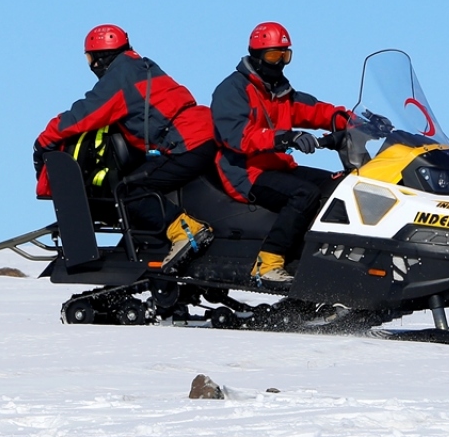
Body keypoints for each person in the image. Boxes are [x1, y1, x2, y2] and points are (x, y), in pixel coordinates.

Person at [34, 24, 217, 271]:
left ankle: (187, 232)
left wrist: (46, 138)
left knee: (129, 191)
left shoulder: (121, 76)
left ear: (99, 59)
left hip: (186, 143)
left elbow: (84, 114)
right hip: (203, 134)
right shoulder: (142, 66)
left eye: (90, 58)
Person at [211, 22, 352, 284]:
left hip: (277, 165)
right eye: (274, 56)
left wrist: (354, 121)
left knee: (340, 185)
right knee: (304, 194)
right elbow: (236, 136)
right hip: (244, 171)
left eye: (285, 56)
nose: (280, 63)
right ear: (256, 54)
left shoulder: (281, 91)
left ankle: (322, 261)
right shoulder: (233, 90)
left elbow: (315, 110)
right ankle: (268, 262)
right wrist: (284, 137)